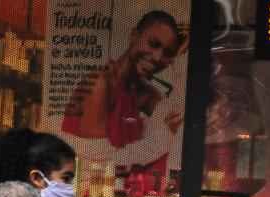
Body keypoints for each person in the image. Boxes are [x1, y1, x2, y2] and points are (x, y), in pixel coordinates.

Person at [62, 11, 186, 149]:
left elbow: (179, 121)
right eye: (153, 44)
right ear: (134, 36)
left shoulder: (144, 92)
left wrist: (179, 60)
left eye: (167, 53)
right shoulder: (101, 83)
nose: (157, 57)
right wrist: (160, 135)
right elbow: (99, 152)